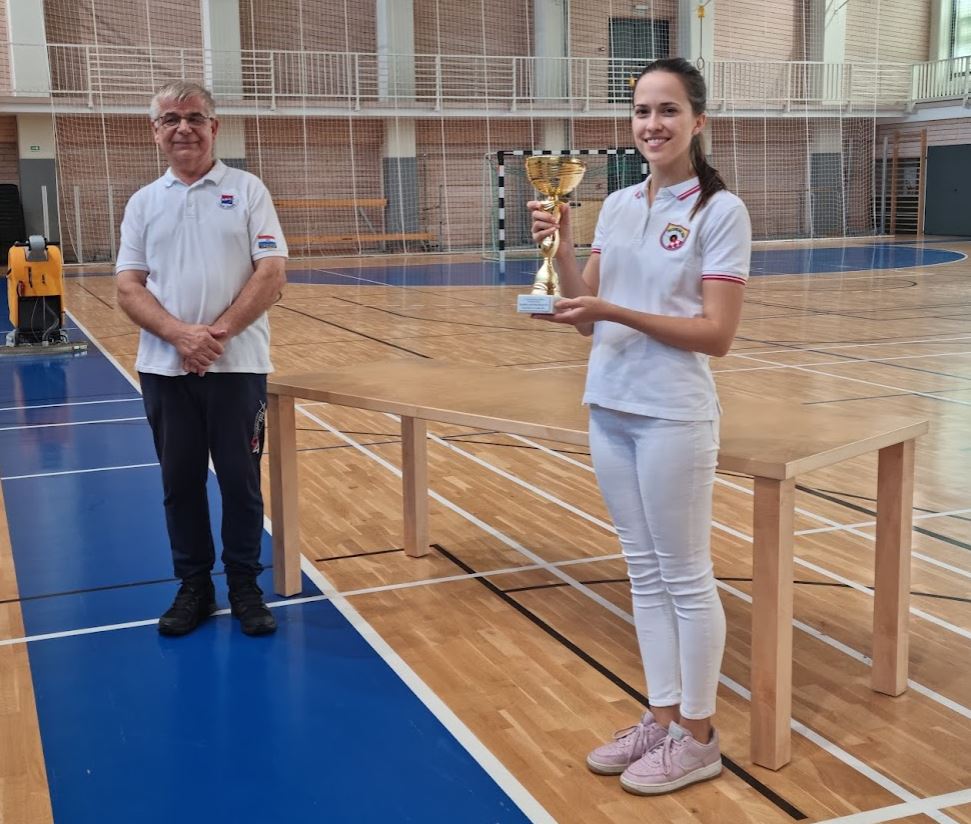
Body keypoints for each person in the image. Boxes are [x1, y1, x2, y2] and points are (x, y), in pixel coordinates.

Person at [528, 57, 750, 794]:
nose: (652, 124)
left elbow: (716, 334)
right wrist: (562, 250)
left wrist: (612, 310)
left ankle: (698, 736)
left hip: (672, 415)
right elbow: (583, 313)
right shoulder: (619, 205)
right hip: (610, 405)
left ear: (698, 120)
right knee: (644, 572)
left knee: (684, 575)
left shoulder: (720, 211)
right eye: (642, 111)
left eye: (668, 110)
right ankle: (661, 718)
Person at [116, 81, 288, 637]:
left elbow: (272, 274)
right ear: (156, 131)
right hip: (165, 371)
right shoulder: (144, 202)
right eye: (170, 119)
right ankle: (194, 586)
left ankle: (244, 585)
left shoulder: (248, 190)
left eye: (194, 117)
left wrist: (213, 336)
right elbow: (128, 286)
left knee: (241, 483)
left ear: (214, 127)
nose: (183, 128)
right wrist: (180, 337)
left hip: (238, 368)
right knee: (180, 484)